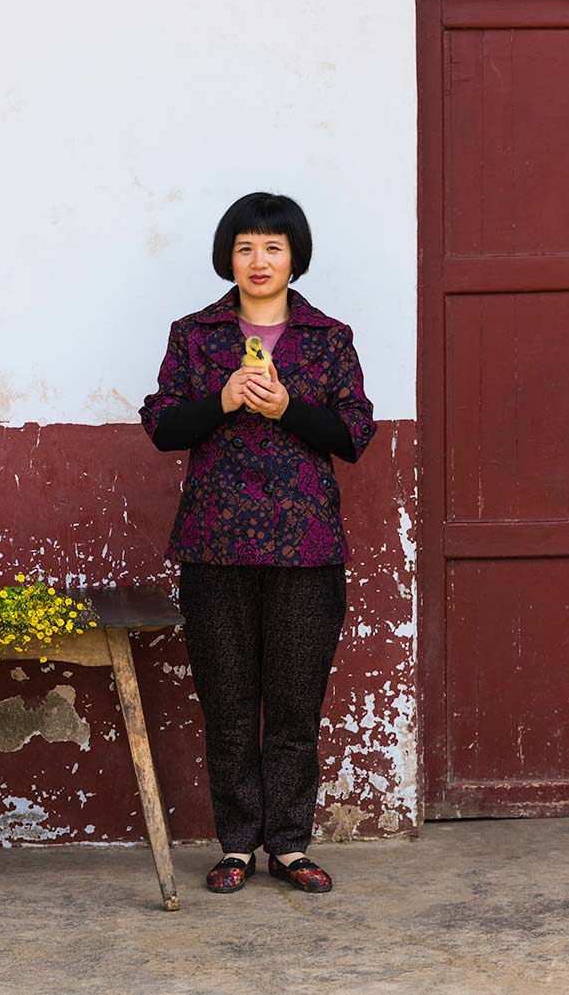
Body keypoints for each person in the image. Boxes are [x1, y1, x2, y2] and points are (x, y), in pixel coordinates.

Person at [140, 192, 376, 894]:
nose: (259, 260)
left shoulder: (329, 338)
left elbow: (355, 434)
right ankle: (238, 844)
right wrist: (223, 400)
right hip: (215, 547)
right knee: (229, 701)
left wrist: (288, 408)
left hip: (306, 548)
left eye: (272, 246)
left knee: (296, 703)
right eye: (245, 247)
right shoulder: (195, 335)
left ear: (294, 255)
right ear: (229, 257)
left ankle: (289, 844)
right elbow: (162, 424)